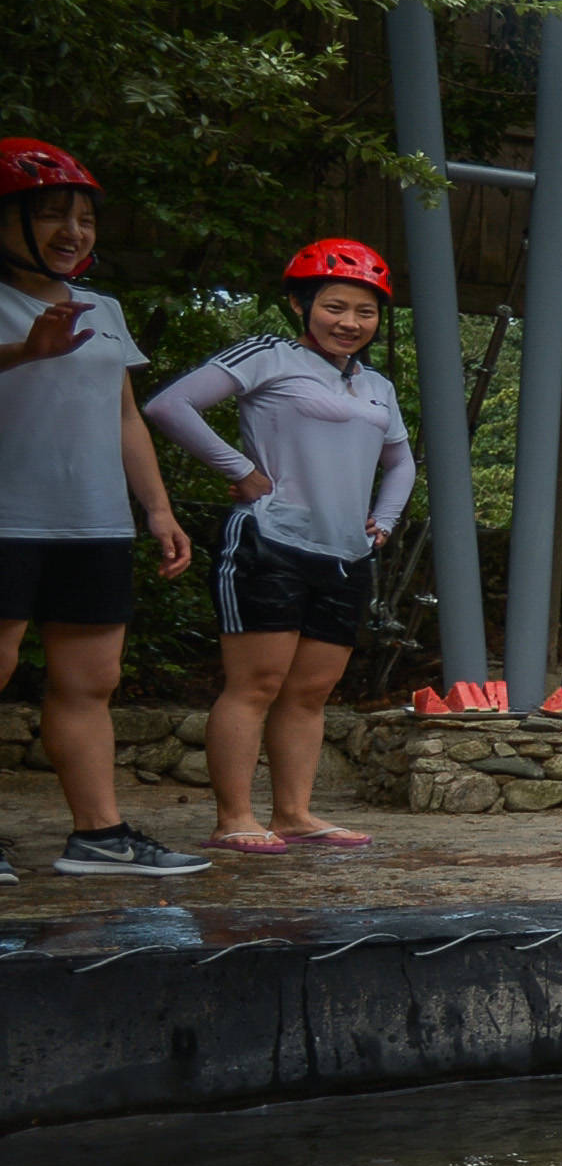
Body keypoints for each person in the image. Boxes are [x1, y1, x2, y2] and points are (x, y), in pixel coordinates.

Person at [146, 240, 418, 857]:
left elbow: (400, 460)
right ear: (300, 306)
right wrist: (238, 469)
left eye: (365, 312)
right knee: (256, 684)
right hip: (271, 540)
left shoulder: (377, 385)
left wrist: (384, 519)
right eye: (335, 307)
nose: (350, 323)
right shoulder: (268, 356)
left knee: (311, 692)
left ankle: (293, 813)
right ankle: (234, 816)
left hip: (346, 553)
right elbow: (169, 404)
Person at [0, 139, 204, 878]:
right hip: (7, 517)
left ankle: (100, 834)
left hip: (92, 520)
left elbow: (124, 417)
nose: (72, 232)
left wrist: (157, 509)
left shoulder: (102, 309)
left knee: (91, 681)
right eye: (52, 214)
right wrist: (26, 351)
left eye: (84, 218)